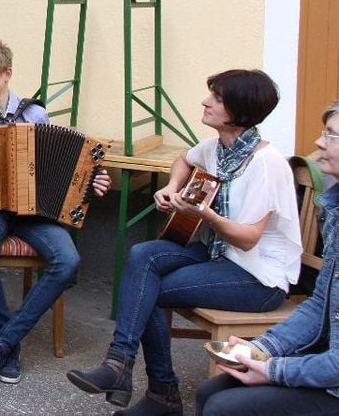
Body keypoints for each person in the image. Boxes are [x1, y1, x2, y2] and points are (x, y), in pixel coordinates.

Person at [67, 69, 302, 416]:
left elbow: (248, 240)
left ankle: (159, 392)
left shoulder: (267, 164)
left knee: (148, 291)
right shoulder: (219, 149)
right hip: (218, 254)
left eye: (217, 98)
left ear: (240, 110)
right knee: (143, 254)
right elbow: (184, 159)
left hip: (257, 276)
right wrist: (171, 187)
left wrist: (207, 215)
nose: (205, 102)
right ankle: (120, 364)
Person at [0, 41, 111, 386]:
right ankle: (7, 347)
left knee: (68, 260)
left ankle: (1, 345)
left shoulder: (35, 114)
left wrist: (94, 181)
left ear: (7, 74)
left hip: (34, 213)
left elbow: (64, 165)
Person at [193, 101, 339, 415]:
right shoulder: (335, 211)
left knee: (224, 407)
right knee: (211, 391)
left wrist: (273, 370)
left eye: (331, 135)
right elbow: (320, 305)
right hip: (327, 364)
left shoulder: (265, 161)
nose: (318, 142)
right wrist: (262, 348)